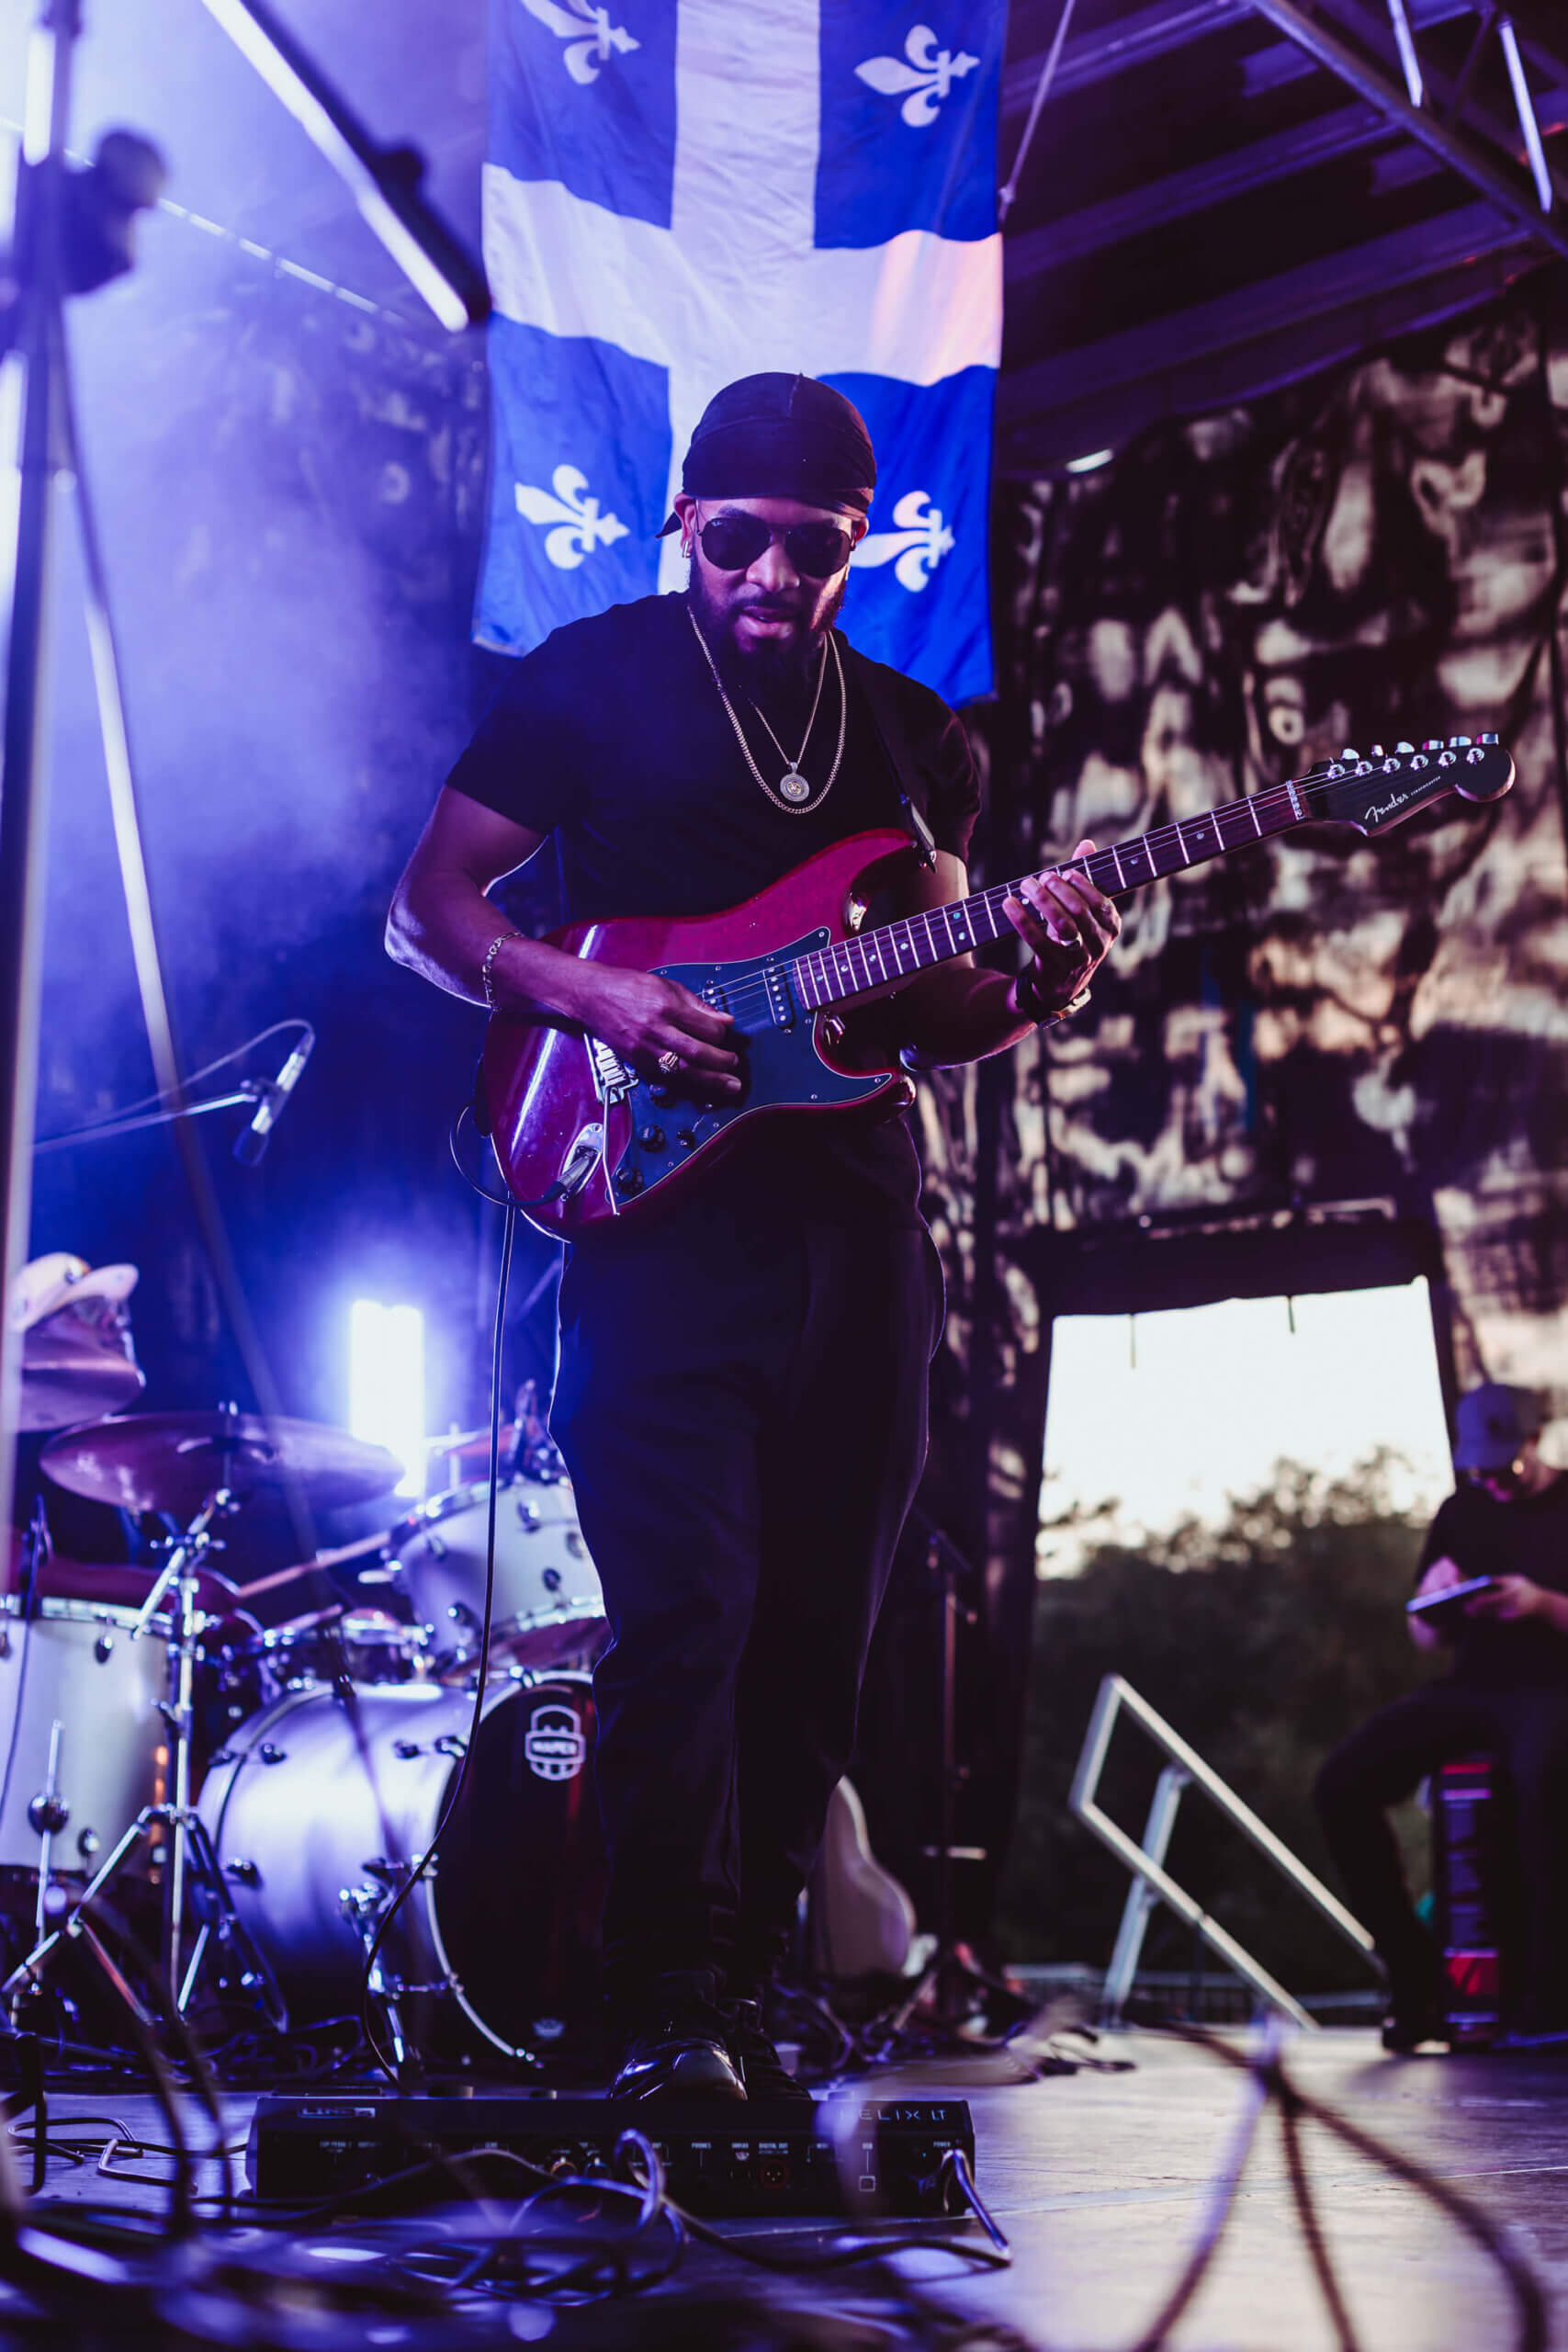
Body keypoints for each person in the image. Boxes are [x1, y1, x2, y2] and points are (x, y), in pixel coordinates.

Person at [388, 373, 1121, 2100]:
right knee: (687, 1616)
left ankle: (743, 1992)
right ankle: (659, 2002)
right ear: (683, 522)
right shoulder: (591, 678)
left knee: (815, 1634)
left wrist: (1045, 976)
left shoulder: (916, 737)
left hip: (857, 1228)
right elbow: (427, 907)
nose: (772, 580)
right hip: (653, 1217)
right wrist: (594, 993)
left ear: (858, 542)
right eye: (736, 543)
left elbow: (932, 1008)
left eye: (812, 549)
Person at [1314, 1382, 1568, 2048]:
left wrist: (1541, 1604)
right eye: (1479, 1469)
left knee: (1539, 1784)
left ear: (1534, 1441)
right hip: (1471, 1687)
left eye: (1504, 1467)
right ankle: (1415, 1978)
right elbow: (1425, 1636)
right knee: (1341, 1784)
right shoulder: (1462, 1510)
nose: (1492, 1481)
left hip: (1553, 1689)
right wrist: (1432, 1601)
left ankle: (1546, 2000)